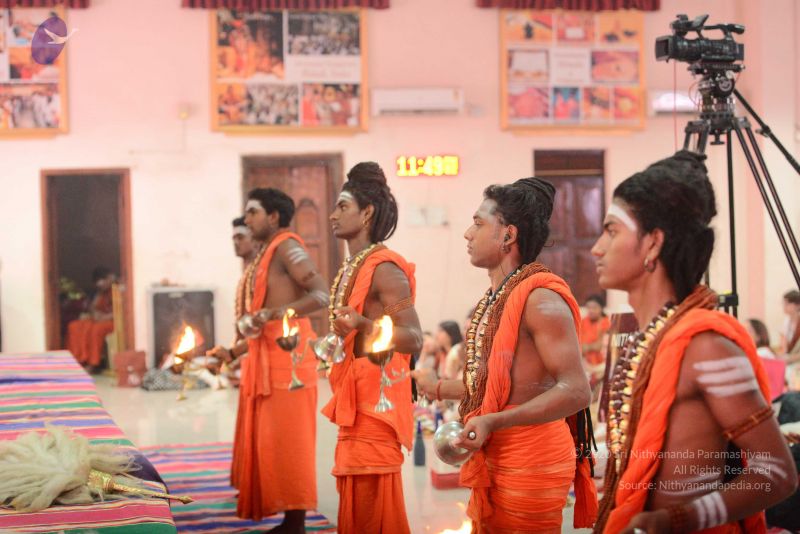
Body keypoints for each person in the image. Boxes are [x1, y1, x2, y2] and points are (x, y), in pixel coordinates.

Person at [590, 150, 797, 533]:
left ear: (653, 244)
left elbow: (777, 472)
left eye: (611, 231)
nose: (596, 248)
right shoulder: (644, 340)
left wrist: (676, 520)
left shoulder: (704, 347)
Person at [415, 177, 597, 533]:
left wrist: (494, 422)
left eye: (478, 223)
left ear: (508, 235)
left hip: (532, 459)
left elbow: (577, 391)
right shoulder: (495, 298)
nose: (467, 233)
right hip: (495, 451)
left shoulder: (541, 300)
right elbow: (499, 386)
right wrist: (436, 387)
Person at [321, 162, 423, 534]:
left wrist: (364, 326)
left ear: (366, 213)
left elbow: (414, 337)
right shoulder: (353, 265)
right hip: (354, 395)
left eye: (343, 206)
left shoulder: (384, 268)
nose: (333, 215)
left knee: (371, 500)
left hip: (376, 403)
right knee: (355, 492)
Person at [228, 188, 329, 532]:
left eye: (253, 212)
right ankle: (289, 518)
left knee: (291, 441)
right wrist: (234, 350)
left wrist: (275, 313)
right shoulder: (266, 251)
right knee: (275, 441)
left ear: (273, 217)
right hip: (266, 353)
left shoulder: (287, 246)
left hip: (289, 355)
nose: (247, 219)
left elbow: (321, 294)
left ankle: (295, 523)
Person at [206, 217, 262, 385]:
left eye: (240, 237)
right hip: (247, 355)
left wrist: (232, 354)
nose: (236, 243)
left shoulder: (260, 273)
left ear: (254, 240)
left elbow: (262, 326)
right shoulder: (248, 273)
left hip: (261, 357)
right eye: (233, 238)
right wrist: (231, 358)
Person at [66, 267, 116, 373]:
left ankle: (93, 364)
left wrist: (107, 316)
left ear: (110, 278)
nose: (100, 284)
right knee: (74, 326)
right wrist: (95, 313)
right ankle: (78, 360)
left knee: (96, 330)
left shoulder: (119, 288)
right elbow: (93, 307)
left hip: (113, 321)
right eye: (98, 282)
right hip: (99, 319)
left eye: (103, 280)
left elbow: (123, 310)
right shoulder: (100, 292)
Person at [581, 293, 611, 389]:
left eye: (594, 307)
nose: (591, 310)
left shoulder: (605, 322)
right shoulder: (584, 322)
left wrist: (587, 347)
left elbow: (599, 346)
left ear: (601, 308)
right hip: (587, 364)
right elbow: (580, 346)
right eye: (589, 308)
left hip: (602, 365)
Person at [779, 290, 800, 357]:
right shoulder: (786, 322)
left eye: (787, 304)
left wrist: (789, 359)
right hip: (789, 356)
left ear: (798, 305)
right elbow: (783, 348)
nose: (784, 306)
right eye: (783, 303)